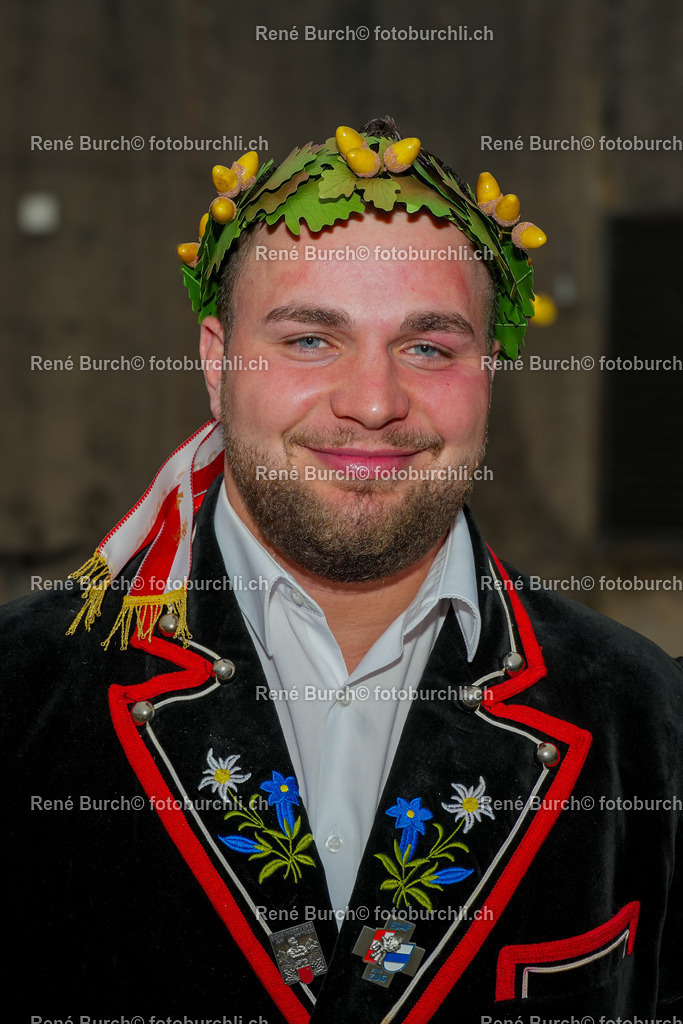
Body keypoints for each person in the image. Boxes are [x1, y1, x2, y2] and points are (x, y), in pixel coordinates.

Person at [3, 117, 681, 1022]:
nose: (373, 402)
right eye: (311, 339)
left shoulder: (647, 719)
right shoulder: (20, 694)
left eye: (429, 346)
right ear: (215, 361)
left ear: (490, 373)